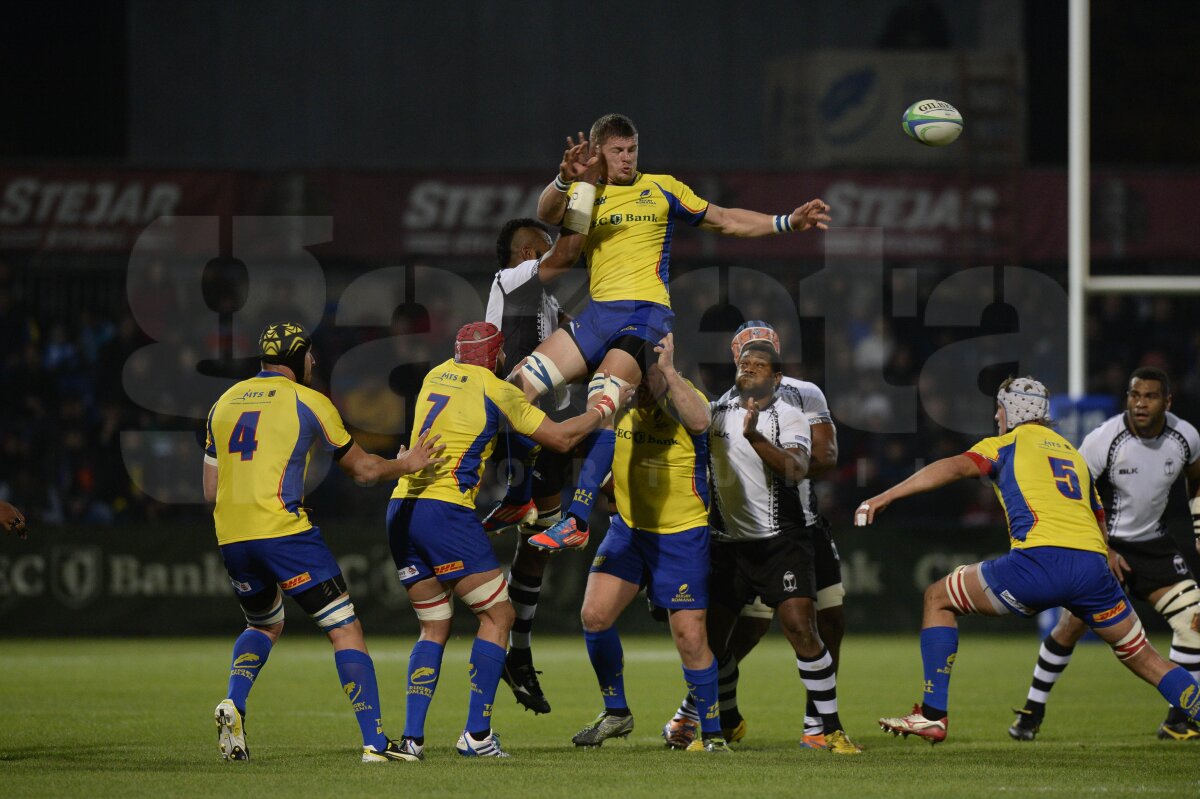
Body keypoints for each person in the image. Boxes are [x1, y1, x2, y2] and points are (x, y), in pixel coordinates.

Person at [507, 113, 830, 554]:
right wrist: (564, 180)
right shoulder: (588, 190)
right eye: (617, 151)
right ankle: (514, 491)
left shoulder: (662, 188)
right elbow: (547, 213)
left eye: (632, 150)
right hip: (598, 312)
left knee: (603, 401)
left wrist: (786, 222)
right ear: (599, 152)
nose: (626, 158)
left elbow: (723, 218)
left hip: (647, 314)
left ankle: (577, 518)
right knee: (514, 388)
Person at [857, 376, 1200, 744]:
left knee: (937, 598)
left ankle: (933, 715)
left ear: (1010, 411)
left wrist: (886, 497)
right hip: (1093, 569)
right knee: (1146, 658)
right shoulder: (1072, 455)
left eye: (999, 410)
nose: (996, 417)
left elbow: (954, 467)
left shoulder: (1005, 444)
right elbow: (1098, 522)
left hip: (1038, 562)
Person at [386, 320, 631, 759]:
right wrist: (603, 409)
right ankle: (477, 736)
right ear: (498, 358)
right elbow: (560, 438)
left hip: (401, 508)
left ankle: (411, 740)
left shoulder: (434, 376)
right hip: (444, 510)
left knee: (434, 625)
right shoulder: (498, 389)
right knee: (499, 617)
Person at [204, 322, 446, 763]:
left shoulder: (222, 403)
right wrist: (408, 462)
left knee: (263, 624)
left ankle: (233, 703)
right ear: (297, 358)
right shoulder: (310, 401)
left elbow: (208, 489)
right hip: (283, 532)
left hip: (231, 536)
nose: (314, 361)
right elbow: (365, 471)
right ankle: (375, 743)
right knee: (344, 627)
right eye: (310, 354)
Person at [662, 340, 860, 755]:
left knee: (803, 632)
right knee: (712, 644)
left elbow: (797, 468)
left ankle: (830, 730)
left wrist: (754, 437)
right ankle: (719, 727)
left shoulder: (788, 414)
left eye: (759, 365)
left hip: (780, 543)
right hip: (727, 546)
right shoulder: (714, 411)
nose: (749, 369)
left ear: (777, 377)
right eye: (744, 363)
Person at [1008, 367, 1200, 741]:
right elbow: (1072, 497)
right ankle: (1032, 710)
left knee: (1194, 622)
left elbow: (1197, 479)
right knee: (1071, 628)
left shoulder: (1186, 436)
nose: (1140, 403)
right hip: (1102, 544)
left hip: (1154, 546)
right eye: (1134, 395)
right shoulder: (1104, 440)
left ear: (1168, 402)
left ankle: (1179, 720)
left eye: (1150, 396)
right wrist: (1104, 549)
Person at [569, 333, 731, 753]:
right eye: (633, 382)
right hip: (629, 530)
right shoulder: (619, 401)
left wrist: (670, 374)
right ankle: (616, 712)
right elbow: (598, 448)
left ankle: (712, 735)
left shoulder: (682, 398)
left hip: (682, 535)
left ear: (659, 374)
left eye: (646, 382)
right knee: (595, 615)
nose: (639, 391)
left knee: (690, 638)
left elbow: (701, 422)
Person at [480, 217, 580, 715]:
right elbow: (565, 255)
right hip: (514, 426)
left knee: (540, 540)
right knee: (529, 521)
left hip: (548, 425)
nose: (548, 256)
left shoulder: (551, 305)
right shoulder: (510, 281)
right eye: (539, 249)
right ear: (523, 253)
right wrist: (582, 196)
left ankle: (516, 654)